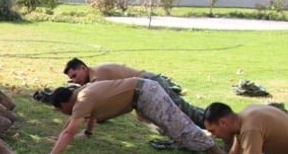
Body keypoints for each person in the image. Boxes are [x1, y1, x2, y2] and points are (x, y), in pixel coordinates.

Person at [35, 78, 226, 154]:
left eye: (61, 110)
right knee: (174, 129)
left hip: (145, 93)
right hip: (143, 93)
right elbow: (82, 118)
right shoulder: (81, 93)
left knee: (179, 127)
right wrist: (88, 132)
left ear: (64, 104)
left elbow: (70, 130)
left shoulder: (82, 100)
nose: (64, 114)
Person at [63, 57, 205, 128]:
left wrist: (86, 129)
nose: (76, 81)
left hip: (150, 83)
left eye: (75, 76)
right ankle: (210, 122)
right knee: (175, 114)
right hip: (145, 89)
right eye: (72, 79)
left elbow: (93, 107)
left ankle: (216, 121)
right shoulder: (95, 78)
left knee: (183, 111)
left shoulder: (98, 75)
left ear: (83, 68)